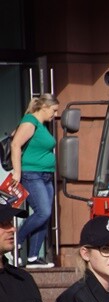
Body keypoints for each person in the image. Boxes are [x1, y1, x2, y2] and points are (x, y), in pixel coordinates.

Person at [9, 94, 59, 268]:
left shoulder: (42, 126)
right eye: (54, 110)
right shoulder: (31, 121)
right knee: (43, 212)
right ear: (44, 107)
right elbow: (15, 145)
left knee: (44, 216)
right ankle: (17, 239)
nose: (55, 114)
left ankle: (33, 257)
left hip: (45, 176)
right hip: (32, 174)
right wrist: (17, 172)